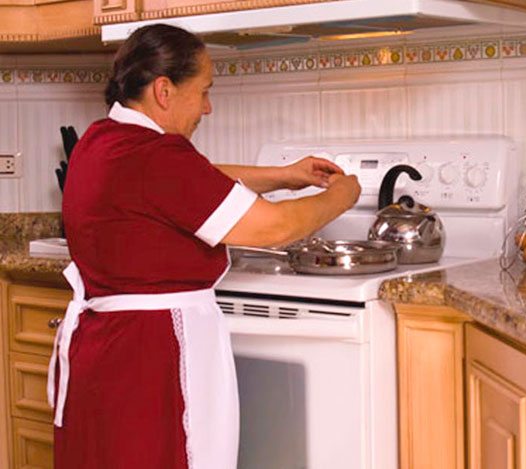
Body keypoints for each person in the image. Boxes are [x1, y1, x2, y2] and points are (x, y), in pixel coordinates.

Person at [48, 23, 360, 469]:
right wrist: (343, 195)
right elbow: (276, 228)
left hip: (106, 353)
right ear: (164, 90)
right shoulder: (156, 156)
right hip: (154, 357)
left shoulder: (103, 139)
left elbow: (194, 178)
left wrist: (283, 176)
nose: (207, 107)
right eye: (204, 91)